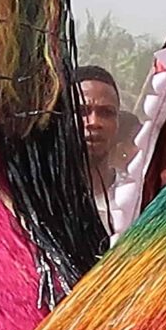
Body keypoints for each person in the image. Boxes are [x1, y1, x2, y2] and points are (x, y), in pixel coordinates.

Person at [73, 64, 132, 229]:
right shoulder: (36, 201)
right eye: (82, 111)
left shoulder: (136, 199)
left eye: (106, 113)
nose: (94, 122)